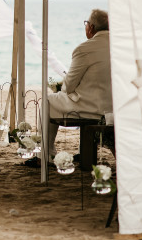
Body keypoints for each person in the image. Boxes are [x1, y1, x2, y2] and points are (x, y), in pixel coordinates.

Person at [45, 8, 113, 158]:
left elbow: (68, 86)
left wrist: (60, 87)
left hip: (92, 108)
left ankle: (47, 153)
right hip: (114, 109)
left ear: (91, 27)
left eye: (86, 24)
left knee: (47, 101)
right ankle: (84, 153)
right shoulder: (119, 46)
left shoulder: (85, 49)